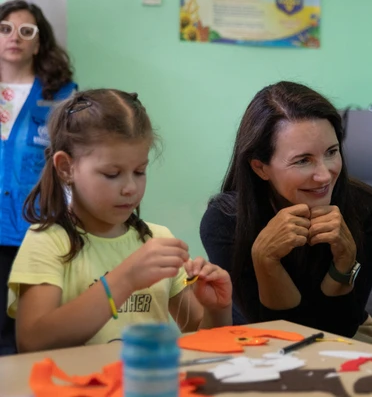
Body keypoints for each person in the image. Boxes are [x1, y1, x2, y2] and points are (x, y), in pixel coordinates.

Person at [7, 89, 232, 352]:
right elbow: (32, 341)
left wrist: (217, 309)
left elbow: (202, 340)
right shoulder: (48, 242)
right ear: (66, 168)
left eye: (139, 172)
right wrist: (125, 279)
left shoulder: (157, 240)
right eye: (112, 174)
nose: (129, 188)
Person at [200, 81, 372, 342]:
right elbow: (271, 332)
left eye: (331, 152)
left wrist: (345, 264)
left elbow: (341, 327)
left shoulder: (368, 208)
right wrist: (265, 260)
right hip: (256, 336)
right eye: (303, 160)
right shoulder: (225, 220)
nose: (325, 175)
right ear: (260, 168)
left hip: (344, 334)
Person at [0, 0, 76, 355]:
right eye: (4, 29)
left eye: (25, 31)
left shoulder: (61, 96)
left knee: (27, 333)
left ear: (38, 42)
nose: (14, 37)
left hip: (36, 227)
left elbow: (74, 162)